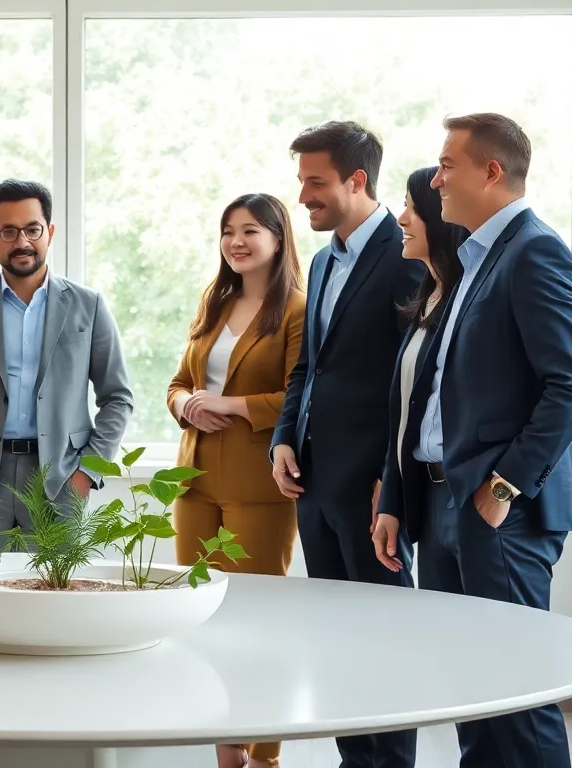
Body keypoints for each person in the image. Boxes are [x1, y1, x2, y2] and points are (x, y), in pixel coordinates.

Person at [374, 113, 572, 768]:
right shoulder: (474, 258)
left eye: (447, 165)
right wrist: (398, 495)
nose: (437, 179)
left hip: (500, 510)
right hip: (445, 501)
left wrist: (502, 489)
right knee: (474, 693)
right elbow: (433, 394)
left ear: (491, 171)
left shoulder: (534, 251)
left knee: (518, 697)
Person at [267, 121, 422, 768]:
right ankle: (354, 759)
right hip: (313, 481)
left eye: (316, 182)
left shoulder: (409, 252)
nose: (302, 196)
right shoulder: (326, 259)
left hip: (374, 488)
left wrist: (394, 474)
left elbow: (413, 376)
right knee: (335, 636)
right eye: (301, 181)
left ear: (357, 181)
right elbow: (311, 364)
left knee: (383, 637)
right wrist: (281, 437)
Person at [166, 193, 305, 768]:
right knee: (201, 622)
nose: (236, 242)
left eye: (250, 230)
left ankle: (264, 755)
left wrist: (229, 403)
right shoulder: (214, 301)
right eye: (227, 231)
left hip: (259, 485)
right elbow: (178, 382)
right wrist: (186, 406)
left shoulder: (297, 309)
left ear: (278, 237)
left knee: (259, 625)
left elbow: (298, 394)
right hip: (193, 482)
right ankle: (226, 755)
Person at [0, 179, 133, 549]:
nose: (22, 242)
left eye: (33, 229)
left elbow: (117, 397)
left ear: (49, 232)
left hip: (60, 480)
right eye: (8, 231)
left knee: (55, 600)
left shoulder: (89, 305)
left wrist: (86, 473)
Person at [371, 166, 467, 572]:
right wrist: (392, 503)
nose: (402, 218)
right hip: (428, 496)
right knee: (439, 633)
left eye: (413, 208)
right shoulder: (427, 297)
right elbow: (408, 415)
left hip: (470, 495)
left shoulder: (471, 297)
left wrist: (499, 492)